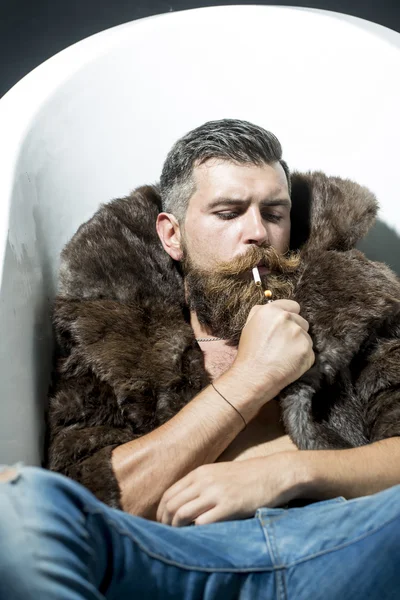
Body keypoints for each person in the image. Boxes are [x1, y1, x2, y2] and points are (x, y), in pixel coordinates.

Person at [1, 119, 400, 599]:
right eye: (229, 212)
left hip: (352, 546)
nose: (257, 233)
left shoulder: (352, 305)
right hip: (180, 567)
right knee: (17, 504)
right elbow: (93, 501)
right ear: (172, 235)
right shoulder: (112, 336)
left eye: (274, 213)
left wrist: (287, 473)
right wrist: (250, 378)